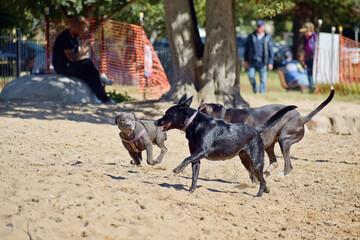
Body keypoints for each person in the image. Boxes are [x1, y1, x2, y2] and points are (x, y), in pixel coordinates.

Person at [52, 16, 115, 104]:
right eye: (81, 30)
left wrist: (85, 54)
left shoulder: (74, 38)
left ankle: (105, 99)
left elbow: (78, 56)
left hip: (71, 65)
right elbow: (72, 58)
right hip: (63, 67)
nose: (82, 33)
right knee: (88, 64)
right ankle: (100, 77)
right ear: (75, 27)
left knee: (91, 76)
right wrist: (87, 48)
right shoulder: (65, 37)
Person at [244, 20, 274, 94]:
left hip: (263, 61)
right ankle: (255, 89)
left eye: (260, 26)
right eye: (258, 26)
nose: (259, 28)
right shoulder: (251, 36)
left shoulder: (267, 37)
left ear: (263, 27)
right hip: (252, 60)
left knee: (263, 79)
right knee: (251, 77)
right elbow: (247, 49)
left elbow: (271, 51)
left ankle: (262, 92)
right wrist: (246, 60)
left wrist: (270, 62)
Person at [299, 22, 318, 91]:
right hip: (308, 58)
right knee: (309, 72)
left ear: (310, 30)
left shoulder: (315, 37)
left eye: (306, 31)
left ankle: (316, 87)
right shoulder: (305, 38)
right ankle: (311, 87)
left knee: (315, 73)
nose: (304, 33)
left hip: (315, 57)